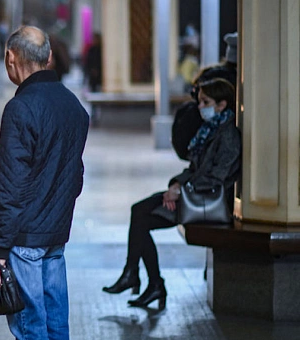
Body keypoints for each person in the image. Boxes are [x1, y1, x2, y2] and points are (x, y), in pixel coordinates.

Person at [0, 26, 89, 340]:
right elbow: (75, 177)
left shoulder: (21, 108)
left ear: (10, 60)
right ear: (48, 59)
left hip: (25, 239)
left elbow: (10, 185)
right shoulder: (73, 105)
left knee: (30, 330)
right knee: (55, 325)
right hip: (56, 238)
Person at [103, 77, 241, 309]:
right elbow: (195, 169)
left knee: (141, 218)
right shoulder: (210, 130)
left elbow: (217, 177)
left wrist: (179, 190)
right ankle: (140, 277)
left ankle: (141, 278)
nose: (200, 107)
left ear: (222, 105)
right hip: (192, 193)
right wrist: (176, 186)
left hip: (205, 202)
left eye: (205, 102)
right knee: (139, 213)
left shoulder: (227, 136)